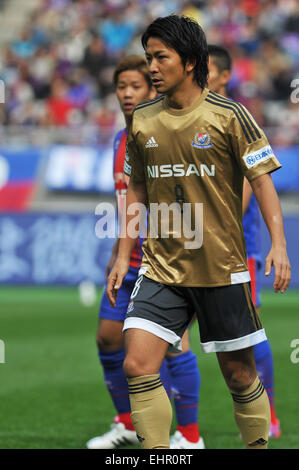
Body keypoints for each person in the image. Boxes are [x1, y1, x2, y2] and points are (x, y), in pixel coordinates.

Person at [107, 15, 291, 450]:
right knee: (137, 363)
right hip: (161, 265)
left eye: (160, 57)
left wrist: (278, 246)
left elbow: (263, 180)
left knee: (240, 374)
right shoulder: (143, 120)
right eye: (149, 57)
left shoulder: (230, 115)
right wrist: (121, 255)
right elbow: (135, 187)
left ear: (190, 61)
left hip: (221, 266)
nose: (151, 67)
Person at [87, 55, 204, 450]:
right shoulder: (121, 139)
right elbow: (126, 203)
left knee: (174, 346)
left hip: (168, 262)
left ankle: (189, 436)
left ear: (152, 89)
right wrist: (118, 253)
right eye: (121, 87)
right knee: (108, 338)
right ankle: (126, 425)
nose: (127, 94)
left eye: (136, 86)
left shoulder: (167, 131)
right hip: (129, 258)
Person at [207, 44, 281, 439]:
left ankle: (267, 415)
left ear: (223, 76)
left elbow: (248, 183)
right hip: (195, 247)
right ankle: (177, 426)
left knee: (248, 330)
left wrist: (225, 228)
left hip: (236, 248)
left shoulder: (235, 117)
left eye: (208, 70)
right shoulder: (191, 117)